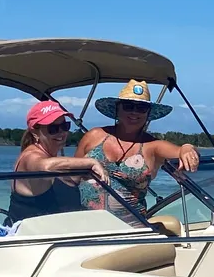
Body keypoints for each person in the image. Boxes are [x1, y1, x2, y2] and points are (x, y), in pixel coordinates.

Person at [74, 80, 200, 218]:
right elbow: (71, 177)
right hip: (85, 223)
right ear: (118, 109)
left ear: (148, 113)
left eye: (141, 108)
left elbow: (180, 151)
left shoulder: (152, 146)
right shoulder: (94, 136)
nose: (134, 112)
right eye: (128, 106)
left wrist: (188, 148)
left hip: (132, 228)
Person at [8, 101, 111, 222]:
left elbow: (63, 179)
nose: (61, 133)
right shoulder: (30, 156)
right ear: (35, 132)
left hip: (61, 234)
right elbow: (45, 167)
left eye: (64, 126)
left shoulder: (54, 160)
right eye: (53, 128)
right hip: (29, 237)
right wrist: (91, 162)